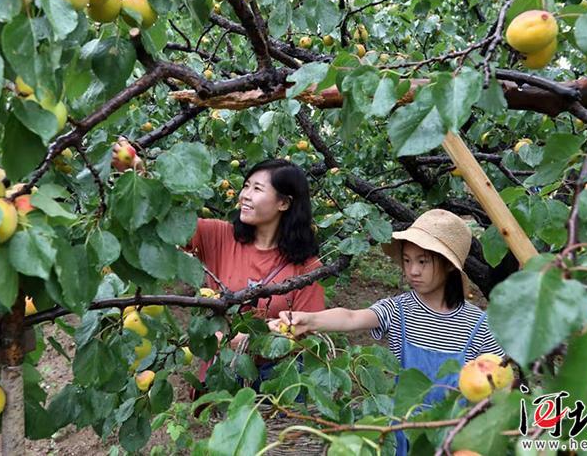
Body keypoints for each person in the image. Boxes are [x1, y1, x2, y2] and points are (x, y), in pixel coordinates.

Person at [268, 209, 505, 455]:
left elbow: (498, 388)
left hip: (453, 435)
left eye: (422, 261)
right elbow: (351, 317)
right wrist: (310, 320)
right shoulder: (399, 310)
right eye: (407, 260)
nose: (412, 271)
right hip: (401, 431)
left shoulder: (479, 325)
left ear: (448, 264)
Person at [184, 158, 325, 391]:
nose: (244, 196)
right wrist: (137, 171)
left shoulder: (306, 267)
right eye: (246, 186)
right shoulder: (220, 236)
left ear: (283, 203)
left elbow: (306, 334)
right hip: (223, 370)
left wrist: (250, 341)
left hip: (274, 381)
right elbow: (165, 222)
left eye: (257, 189)